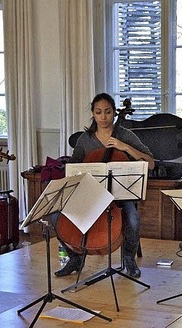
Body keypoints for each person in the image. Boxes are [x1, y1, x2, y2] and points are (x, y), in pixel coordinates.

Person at [54, 93, 155, 279]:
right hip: (91, 195)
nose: (103, 117)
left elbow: (150, 163)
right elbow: (73, 168)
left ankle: (128, 259)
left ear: (115, 113)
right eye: (98, 112)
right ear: (93, 113)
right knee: (55, 217)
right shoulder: (85, 139)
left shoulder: (125, 135)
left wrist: (125, 147)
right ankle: (75, 258)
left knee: (133, 218)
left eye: (107, 112)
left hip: (119, 195)